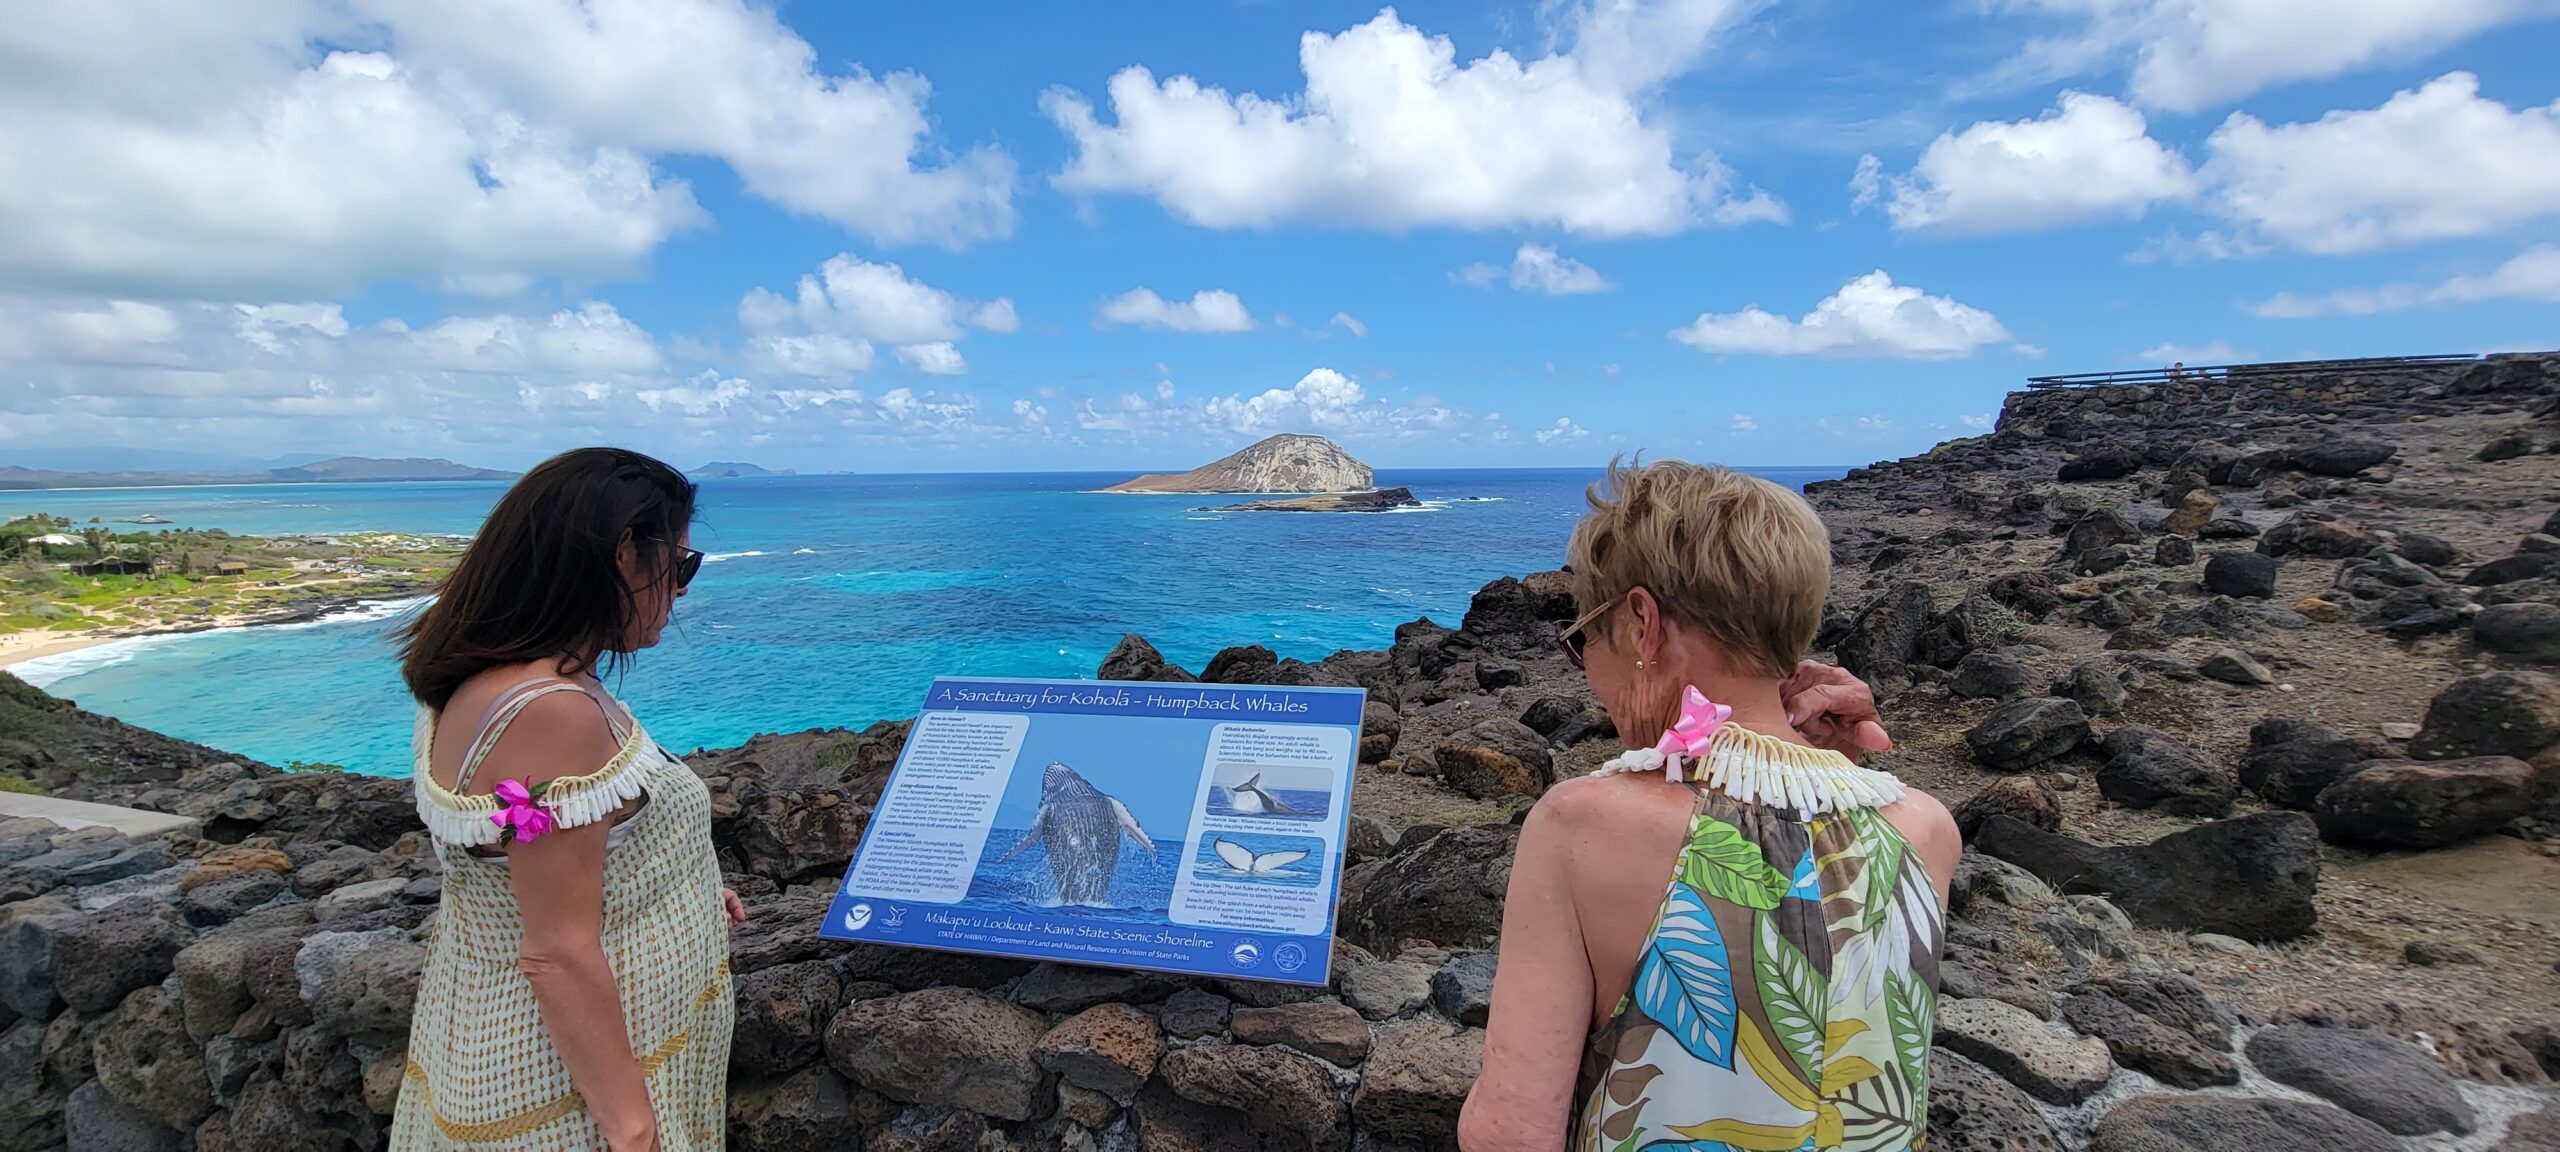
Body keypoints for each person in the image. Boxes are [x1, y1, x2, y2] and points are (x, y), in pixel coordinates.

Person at [1459, 460, 1958, 1152]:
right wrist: (1825, 758)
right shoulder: (1926, 829)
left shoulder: (1580, 826)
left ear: (1642, 623)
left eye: (1584, 638)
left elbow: (1511, 1133)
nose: (1590, 669)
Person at [390, 447, 744, 1152]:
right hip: (565, 1099)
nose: (680, 591)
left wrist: (683, 883)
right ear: (623, 555)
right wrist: (634, 1130)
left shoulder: (494, 678)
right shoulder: (548, 713)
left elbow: (548, 866)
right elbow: (556, 950)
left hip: (553, 1060)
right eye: (679, 565)